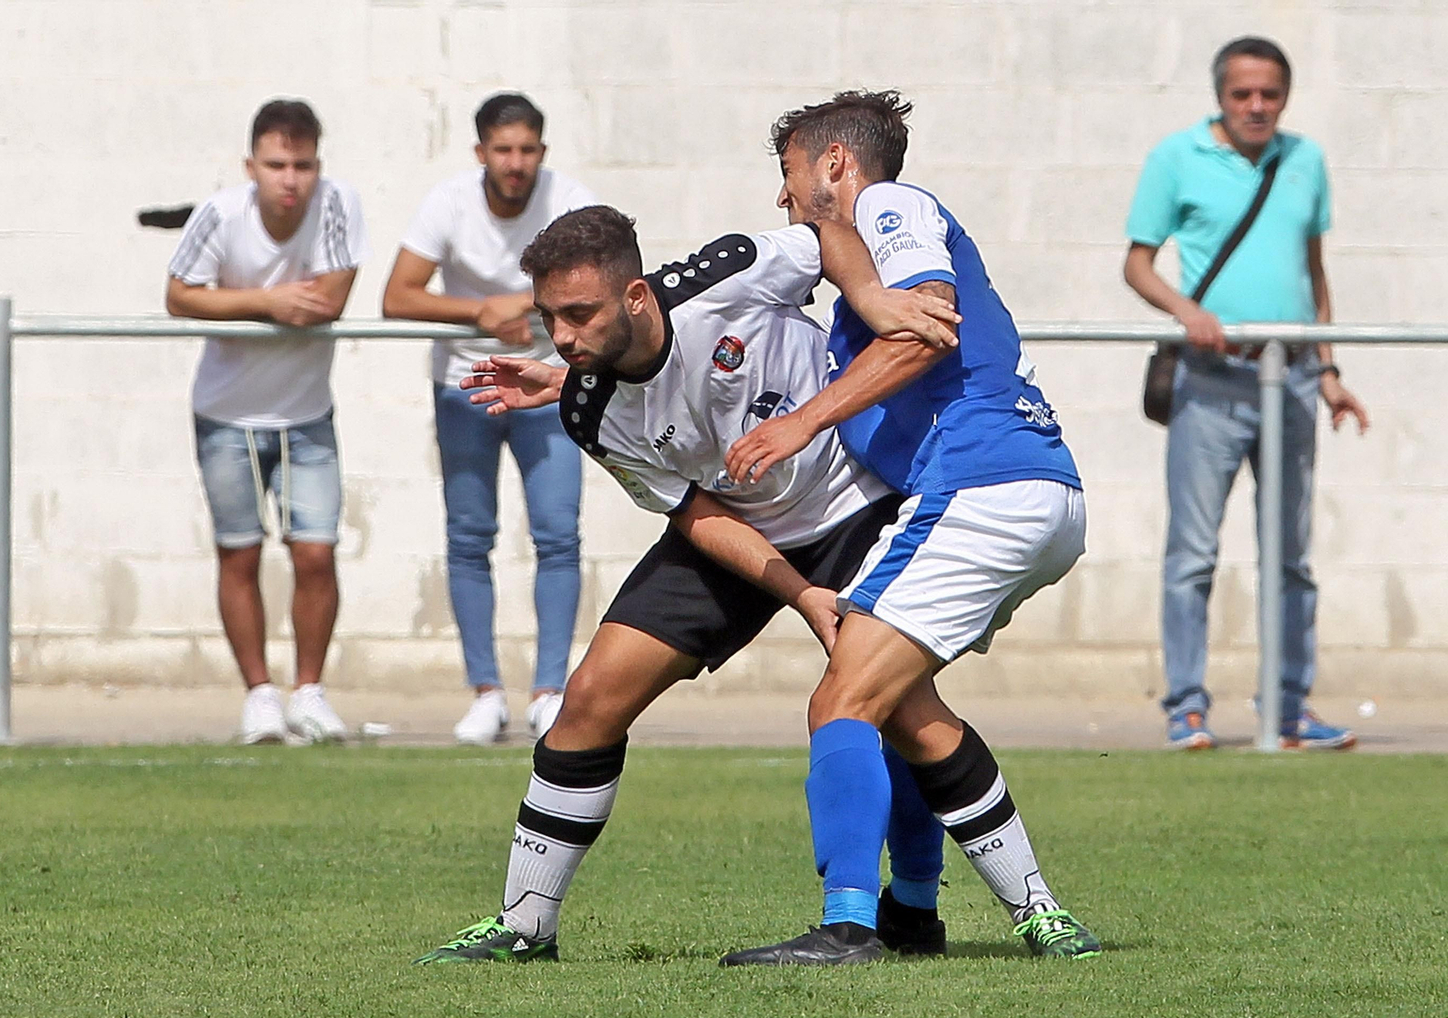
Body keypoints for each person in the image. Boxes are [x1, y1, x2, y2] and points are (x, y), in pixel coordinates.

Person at [414, 205, 962, 964]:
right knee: (591, 698)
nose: (564, 337)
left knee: (894, 704)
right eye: (550, 318)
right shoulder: (586, 405)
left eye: (580, 314)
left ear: (636, 296)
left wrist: (871, 301)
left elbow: (835, 237)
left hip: (854, 503)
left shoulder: (732, 272)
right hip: (732, 530)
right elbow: (696, 513)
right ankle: (525, 925)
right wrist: (799, 593)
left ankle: (929, 908)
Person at [718, 90, 1101, 965]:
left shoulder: (894, 203)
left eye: (788, 174)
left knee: (842, 696)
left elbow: (926, 323)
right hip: (1033, 490)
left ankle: (849, 925)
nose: (782, 197)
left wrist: (799, 423)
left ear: (836, 164)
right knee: (895, 704)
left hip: (987, 483)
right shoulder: (852, 281)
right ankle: (958, 915)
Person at [1121, 37, 1370, 751]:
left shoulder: (1306, 161)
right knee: (1193, 552)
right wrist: (1187, 314)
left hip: (1289, 377)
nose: (1256, 107)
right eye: (1242, 95)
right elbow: (1137, 265)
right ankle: (1187, 709)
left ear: (1284, 96)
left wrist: (1328, 371)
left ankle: (1288, 709)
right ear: (1221, 97)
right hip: (1211, 380)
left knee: (1289, 555)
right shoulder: (1176, 158)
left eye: (1270, 94)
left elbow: (1312, 275)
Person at [382, 93, 594, 745]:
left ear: (543, 153)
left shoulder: (569, 201)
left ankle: (550, 691)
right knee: (470, 535)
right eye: (502, 149)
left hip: (548, 387)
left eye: (527, 149)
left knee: (558, 534)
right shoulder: (448, 203)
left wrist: (528, 305)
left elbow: (607, 282)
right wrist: (476, 312)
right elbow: (397, 297)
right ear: (480, 153)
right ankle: (485, 694)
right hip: (467, 386)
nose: (515, 162)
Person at [166, 99, 369, 745]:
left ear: (318, 165)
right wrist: (266, 300)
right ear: (251, 164)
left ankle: (308, 691)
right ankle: (259, 694)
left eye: (303, 165)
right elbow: (177, 294)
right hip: (225, 414)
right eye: (277, 164)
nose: (291, 179)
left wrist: (238, 302)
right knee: (239, 553)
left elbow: (329, 300)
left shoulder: (338, 203)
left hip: (307, 413)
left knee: (315, 553)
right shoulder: (221, 214)